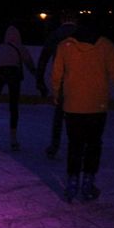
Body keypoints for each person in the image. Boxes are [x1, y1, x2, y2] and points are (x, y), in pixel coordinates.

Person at [51, 14, 114, 202]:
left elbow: (56, 75)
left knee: (75, 145)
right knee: (93, 145)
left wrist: (56, 95)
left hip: (72, 106)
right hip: (97, 106)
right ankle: (87, 182)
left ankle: (72, 183)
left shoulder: (64, 46)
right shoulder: (106, 46)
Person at [35, 10, 77, 158]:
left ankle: (55, 145)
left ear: (61, 20)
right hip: (80, 80)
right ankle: (78, 145)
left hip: (62, 80)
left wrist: (40, 81)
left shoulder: (55, 35)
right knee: (78, 114)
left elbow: (43, 59)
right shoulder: (82, 34)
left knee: (59, 114)